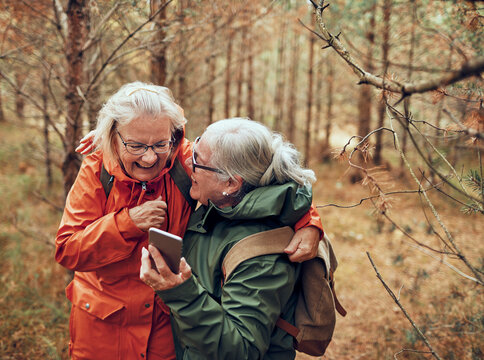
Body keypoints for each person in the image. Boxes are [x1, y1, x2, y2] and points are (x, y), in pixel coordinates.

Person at [56, 81, 323, 359]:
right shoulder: (98, 169)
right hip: (101, 326)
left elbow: (261, 174)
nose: (149, 158)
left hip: (165, 324)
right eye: (135, 145)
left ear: (172, 136)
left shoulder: (184, 161)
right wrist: (127, 224)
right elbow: (67, 250)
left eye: (159, 144)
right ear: (114, 136)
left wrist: (309, 219)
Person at [140, 118, 316, 359]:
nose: (188, 166)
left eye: (197, 162)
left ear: (231, 183)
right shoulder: (222, 203)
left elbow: (242, 350)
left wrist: (181, 292)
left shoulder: (261, 256)